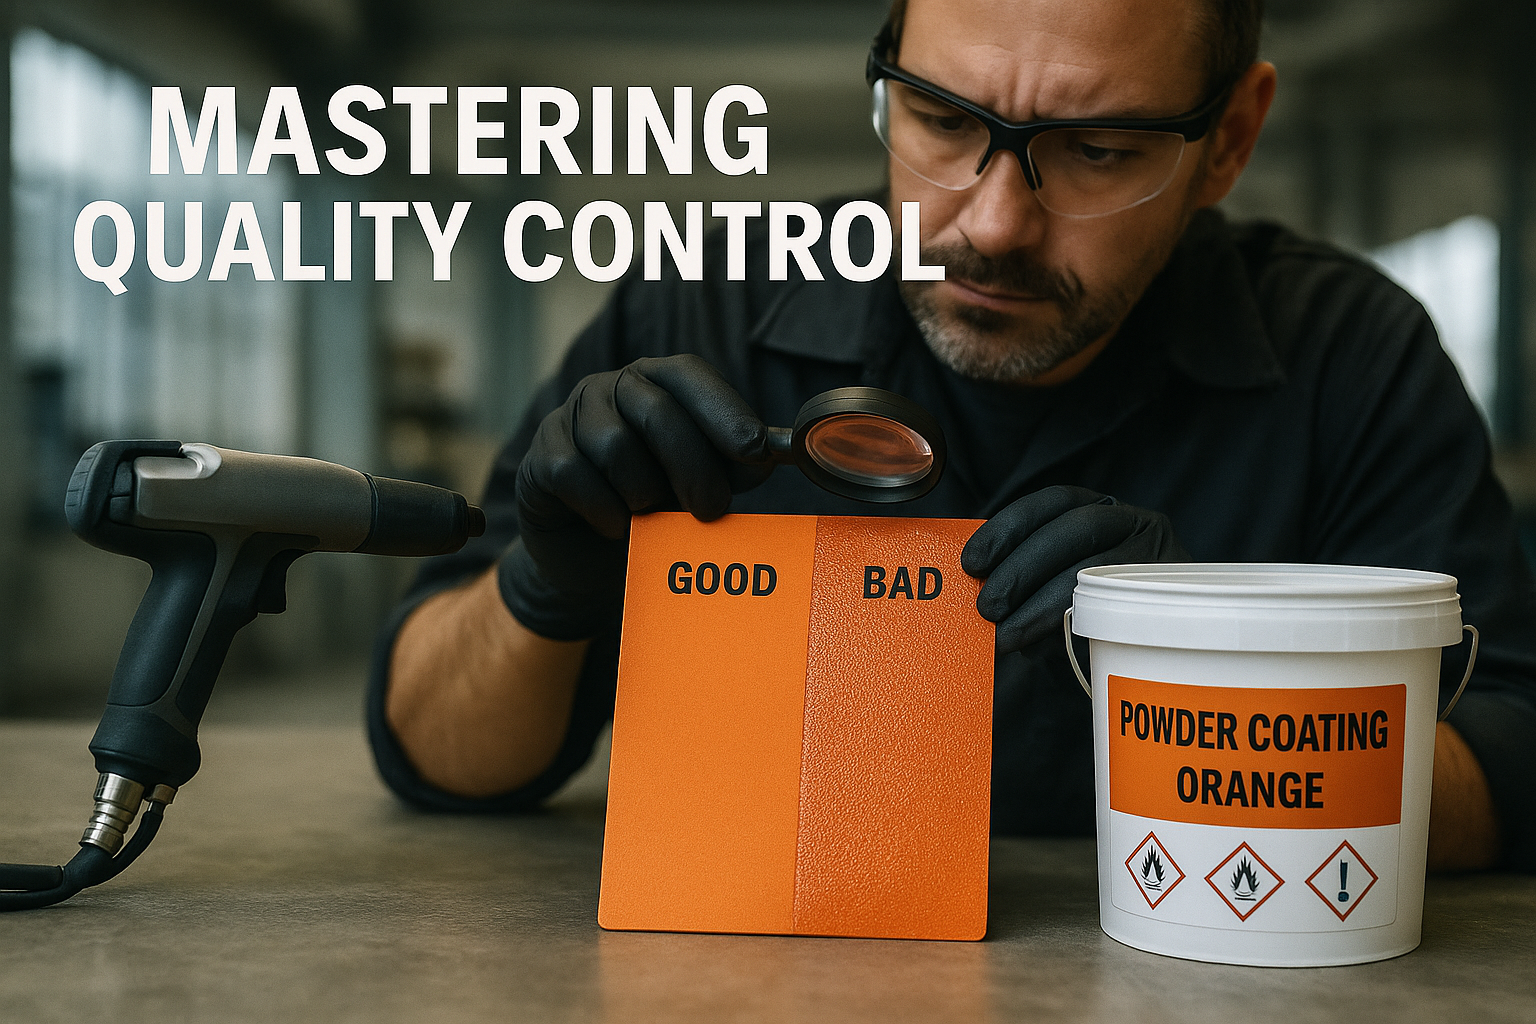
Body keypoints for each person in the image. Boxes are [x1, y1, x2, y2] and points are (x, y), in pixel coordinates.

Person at [369, 0, 1536, 872]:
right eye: (939, 120)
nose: (991, 221)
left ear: (1228, 141)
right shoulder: (704, 304)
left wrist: (1198, 674)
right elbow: (440, 756)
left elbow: (1510, 766)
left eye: (1099, 151)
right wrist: (544, 587)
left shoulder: (1348, 356)